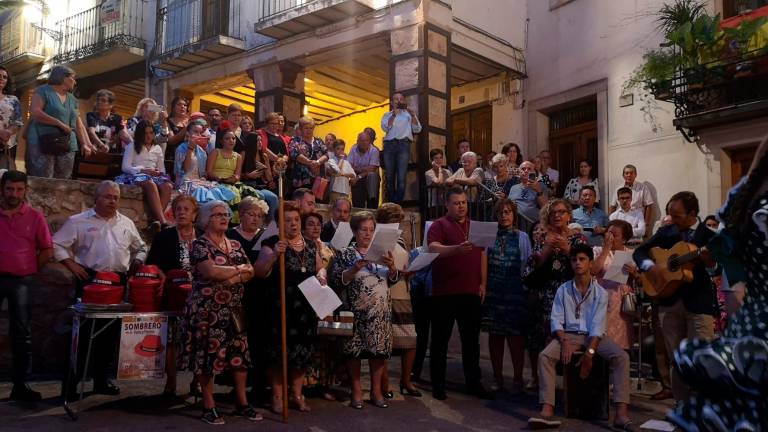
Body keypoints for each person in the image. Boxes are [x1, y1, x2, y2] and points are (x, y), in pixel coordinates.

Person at [665, 137, 767, 431]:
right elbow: (730, 275)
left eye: (676, 213)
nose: (671, 218)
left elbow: (725, 269)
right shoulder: (752, 213)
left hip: (728, 313)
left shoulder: (733, 216)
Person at [53, 181, 148, 399]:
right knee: (83, 334)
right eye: (107, 196)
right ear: (96, 198)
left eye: (115, 197)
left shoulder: (126, 222)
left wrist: (139, 260)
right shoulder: (78, 221)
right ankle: (71, 384)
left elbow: (141, 246)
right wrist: (71, 264)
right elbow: (57, 244)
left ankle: (101, 380)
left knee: (109, 333)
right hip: (90, 281)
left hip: (117, 283)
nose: (112, 201)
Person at [528, 244, 632, 430]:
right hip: (568, 335)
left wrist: (589, 353)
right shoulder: (563, 289)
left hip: (594, 337)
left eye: (582, 259)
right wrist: (565, 340)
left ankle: (621, 414)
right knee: (545, 356)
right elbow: (556, 320)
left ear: (590, 263)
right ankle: (547, 409)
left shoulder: (599, 292)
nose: (577, 263)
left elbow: (598, 326)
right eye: (574, 259)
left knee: (622, 357)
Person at [178, 200, 259, 424]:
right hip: (207, 311)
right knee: (208, 358)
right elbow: (210, 271)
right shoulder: (199, 245)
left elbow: (251, 271)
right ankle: (208, 404)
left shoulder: (234, 244)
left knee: (239, 356)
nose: (224, 217)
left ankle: (242, 402)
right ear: (205, 220)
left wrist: (232, 274)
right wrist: (237, 271)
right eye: (217, 215)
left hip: (233, 311)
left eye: (225, 214)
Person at [633, 191, 718, 404]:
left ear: (692, 214)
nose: (672, 219)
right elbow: (640, 252)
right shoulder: (666, 232)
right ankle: (682, 409)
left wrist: (711, 262)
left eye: (677, 215)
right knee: (676, 360)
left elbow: (718, 266)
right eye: (670, 213)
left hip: (698, 303)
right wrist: (651, 267)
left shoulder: (709, 236)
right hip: (668, 301)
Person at [253, 202, 325, 413]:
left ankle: (296, 394)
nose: (293, 224)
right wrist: (275, 254)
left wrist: (322, 277)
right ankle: (277, 396)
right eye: (287, 220)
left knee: (302, 353)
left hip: (305, 308)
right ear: (278, 223)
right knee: (279, 354)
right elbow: (259, 271)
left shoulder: (311, 245)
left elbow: (319, 268)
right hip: (280, 307)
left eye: (296, 220)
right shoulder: (271, 243)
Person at [426, 187, 492, 400]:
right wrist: (455, 249)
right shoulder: (438, 225)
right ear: (447, 204)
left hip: (471, 291)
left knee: (472, 341)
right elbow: (434, 248)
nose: (461, 206)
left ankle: (474, 383)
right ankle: (438, 384)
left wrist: (482, 283)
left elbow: (482, 255)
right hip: (444, 292)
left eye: (464, 202)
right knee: (440, 341)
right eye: (456, 203)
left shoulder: (476, 226)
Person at [331, 211, 400, 408]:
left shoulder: (384, 251)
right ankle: (356, 391)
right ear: (354, 231)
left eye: (371, 230)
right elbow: (337, 280)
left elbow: (393, 279)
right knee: (354, 352)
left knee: (378, 352)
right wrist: (354, 269)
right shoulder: (345, 253)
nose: (368, 234)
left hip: (380, 311)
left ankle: (376, 391)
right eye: (363, 230)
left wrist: (393, 267)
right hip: (355, 310)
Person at [524, 199, 587, 390]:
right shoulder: (542, 238)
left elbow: (585, 268)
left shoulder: (578, 240)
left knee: (569, 340)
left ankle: (572, 385)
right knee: (542, 339)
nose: (557, 215)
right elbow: (532, 268)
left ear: (569, 216)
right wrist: (546, 249)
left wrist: (569, 250)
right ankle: (542, 383)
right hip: (546, 295)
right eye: (553, 213)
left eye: (561, 212)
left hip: (572, 297)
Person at [0, 171, 53, 402]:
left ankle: (20, 385)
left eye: (19, 189)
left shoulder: (35, 217)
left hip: (22, 280)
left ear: (26, 190)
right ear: (2, 189)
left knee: (22, 334)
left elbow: (47, 250)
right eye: (10, 189)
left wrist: (28, 268)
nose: (14, 194)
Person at [145, 194, 199, 396]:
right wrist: (164, 277)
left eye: (186, 209)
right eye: (178, 209)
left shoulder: (202, 236)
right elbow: (153, 264)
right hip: (172, 293)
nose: (182, 212)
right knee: (172, 339)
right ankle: (171, 382)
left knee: (198, 339)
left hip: (198, 295)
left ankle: (197, 380)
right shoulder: (164, 236)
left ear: (194, 214)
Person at [482, 198, 532, 393]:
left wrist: (525, 291)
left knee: (515, 338)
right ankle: (497, 378)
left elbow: (526, 265)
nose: (504, 216)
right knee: (495, 337)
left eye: (508, 212)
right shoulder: (489, 235)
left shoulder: (522, 237)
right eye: (501, 212)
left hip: (515, 291)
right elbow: (483, 261)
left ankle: (518, 379)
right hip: (494, 290)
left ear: (514, 215)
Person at [224, 196, 270, 404]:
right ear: (241, 215)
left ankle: (259, 385)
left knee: (260, 339)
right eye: (250, 214)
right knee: (238, 340)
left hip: (261, 295)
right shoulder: (230, 236)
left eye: (259, 216)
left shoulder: (267, 237)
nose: (254, 219)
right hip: (237, 294)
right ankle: (237, 388)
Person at [375, 203, 421, 398]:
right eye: (394, 220)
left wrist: (410, 271)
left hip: (403, 291)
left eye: (398, 220)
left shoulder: (400, 239)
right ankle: (385, 383)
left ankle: (406, 380)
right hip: (386, 292)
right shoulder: (377, 238)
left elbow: (403, 261)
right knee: (387, 341)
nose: (397, 223)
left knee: (410, 339)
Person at [26, 65, 95, 179]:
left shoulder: (72, 99)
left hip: (67, 142)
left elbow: (78, 123)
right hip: (42, 140)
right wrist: (59, 123)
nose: (75, 82)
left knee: (63, 180)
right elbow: (35, 112)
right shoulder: (43, 90)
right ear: (64, 78)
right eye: (73, 78)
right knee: (43, 178)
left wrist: (84, 143)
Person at [116, 120, 173, 230]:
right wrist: (142, 170)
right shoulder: (132, 146)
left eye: (151, 133)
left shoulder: (157, 148)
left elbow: (162, 169)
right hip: (136, 175)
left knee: (168, 186)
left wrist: (158, 172)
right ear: (140, 134)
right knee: (150, 184)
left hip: (153, 175)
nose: (148, 136)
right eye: (145, 133)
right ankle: (162, 221)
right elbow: (125, 167)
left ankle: (156, 221)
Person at [591, 220, 638, 350]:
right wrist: (606, 248)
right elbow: (593, 271)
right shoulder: (597, 250)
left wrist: (634, 273)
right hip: (602, 299)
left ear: (624, 239)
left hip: (622, 301)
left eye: (614, 235)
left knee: (621, 343)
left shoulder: (631, 254)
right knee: (601, 339)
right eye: (608, 233)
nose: (610, 237)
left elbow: (640, 280)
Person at [380, 92, 422, 203]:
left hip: (403, 145)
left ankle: (397, 203)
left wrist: (413, 115)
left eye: (401, 99)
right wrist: (394, 115)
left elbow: (417, 129)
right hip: (389, 145)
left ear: (404, 101)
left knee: (401, 177)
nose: (398, 101)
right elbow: (385, 128)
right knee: (389, 177)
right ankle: (391, 203)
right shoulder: (387, 115)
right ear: (392, 102)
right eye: (396, 99)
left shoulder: (408, 115)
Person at [609, 165, 654, 238]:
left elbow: (649, 205)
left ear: (635, 174)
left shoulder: (642, 187)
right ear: (623, 175)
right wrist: (611, 221)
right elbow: (613, 206)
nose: (629, 175)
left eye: (631, 173)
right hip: (621, 220)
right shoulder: (618, 188)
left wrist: (646, 225)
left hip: (637, 221)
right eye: (626, 173)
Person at [241, 132, 278, 220]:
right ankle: (259, 222)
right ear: (252, 142)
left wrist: (266, 167)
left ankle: (272, 225)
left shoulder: (264, 156)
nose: (260, 143)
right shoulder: (244, 154)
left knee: (273, 197)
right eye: (258, 140)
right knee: (261, 196)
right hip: (247, 184)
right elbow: (237, 174)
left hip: (261, 185)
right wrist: (248, 175)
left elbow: (269, 178)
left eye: (261, 140)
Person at [507, 160, 548, 234]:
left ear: (534, 173)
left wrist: (538, 190)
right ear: (519, 172)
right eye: (523, 169)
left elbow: (545, 207)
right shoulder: (513, 188)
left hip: (533, 226)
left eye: (529, 169)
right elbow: (509, 207)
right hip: (516, 226)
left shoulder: (541, 185)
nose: (526, 171)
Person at [290, 116, 328, 190]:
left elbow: (326, 154)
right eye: (306, 128)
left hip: (318, 178)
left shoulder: (319, 141)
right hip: (302, 179)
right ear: (301, 129)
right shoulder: (296, 141)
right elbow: (294, 154)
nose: (309, 130)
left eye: (311, 128)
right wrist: (310, 163)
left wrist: (318, 162)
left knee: (318, 200)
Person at [348, 131, 380, 209]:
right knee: (357, 204)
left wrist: (359, 174)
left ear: (370, 141)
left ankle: (372, 203)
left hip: (367, 178)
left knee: (372, 175)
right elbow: (349, 165)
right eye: (362, 141)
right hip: (356, 177)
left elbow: (372, 168)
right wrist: (365, 169)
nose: (365, 143)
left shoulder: (374, 150)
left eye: (367, 140)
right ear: (357, 141)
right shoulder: (353, 148)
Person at [0, 67, 23, 170]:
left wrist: (7, 132)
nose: (1, 78)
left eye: (4, 77)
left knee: (5, 175)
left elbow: (18, 122)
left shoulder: (13, 100)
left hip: (7, 145)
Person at [326, 139, 357, 204]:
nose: (340, 151)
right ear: (334, 150)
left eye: (342, 149)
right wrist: (341, 159)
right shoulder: (331, 161)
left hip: (345, 191)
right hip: (335, 190)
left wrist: (343, 174)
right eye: (338, 149)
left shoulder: (347, 162)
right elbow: (338, 170)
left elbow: (353, 175)